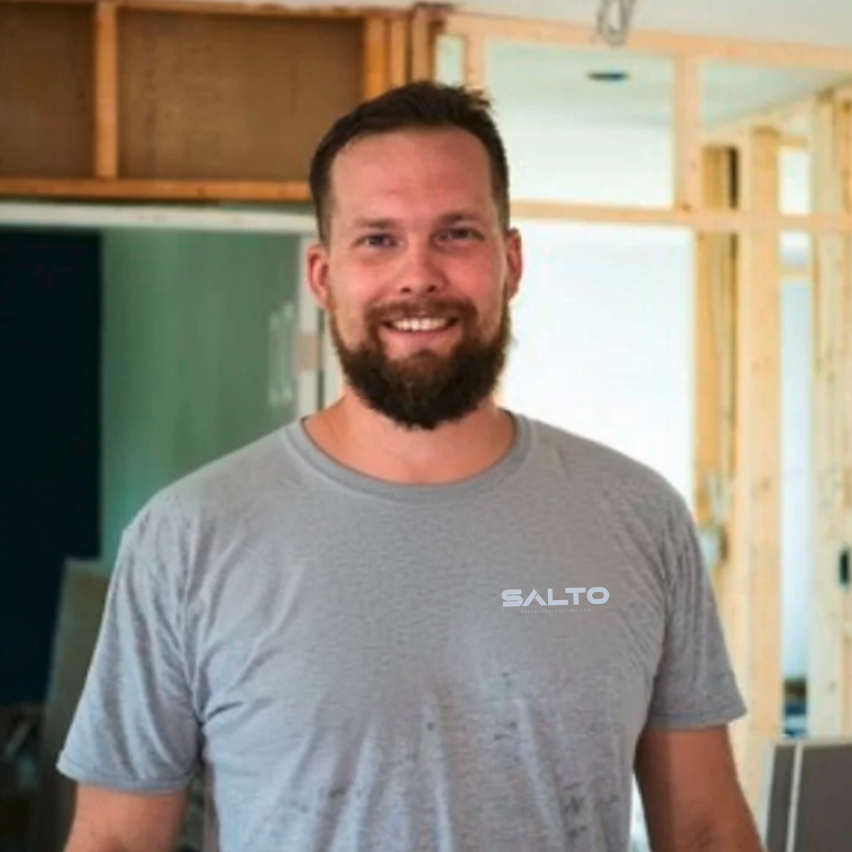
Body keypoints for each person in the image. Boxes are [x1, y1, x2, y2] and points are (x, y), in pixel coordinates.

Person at [58, 81, 764, 852]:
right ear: (323, 276)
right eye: (378, 239)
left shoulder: (637, 515)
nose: (418, 275)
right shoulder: (189, 535)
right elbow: (116, 841)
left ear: (512, 261)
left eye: (457, 233)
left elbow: (702, 829)